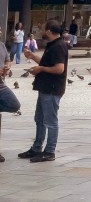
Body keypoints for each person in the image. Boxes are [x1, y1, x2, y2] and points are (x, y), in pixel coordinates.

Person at [20, 19, 68, 163]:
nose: (40, 29)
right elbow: (48, 63)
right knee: (40, 119)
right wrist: (33, 57)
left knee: (50, 121)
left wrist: (40, 69)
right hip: (45, 87)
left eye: (42, 27)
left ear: (48, 31)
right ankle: (36, 148)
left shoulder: (58, 46)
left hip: (52, 89)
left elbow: (59, 69)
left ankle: (49, 151)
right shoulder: (53, 45)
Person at [0, 24, 22, 163]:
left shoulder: (1, 45)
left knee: (14, 105)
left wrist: (8, 66)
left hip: (1, 85)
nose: (0, 31)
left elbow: (7, 59)